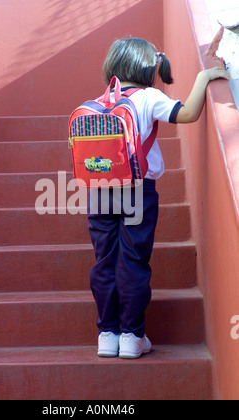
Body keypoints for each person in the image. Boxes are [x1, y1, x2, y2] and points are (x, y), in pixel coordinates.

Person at [87, 38, 230, 359]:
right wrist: (204, 78)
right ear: (149, 67)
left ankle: (107, 335)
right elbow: (189, 113)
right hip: (137, 192)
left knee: (105, 262)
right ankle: (132, 336)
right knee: (132, 262)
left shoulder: (100, 100)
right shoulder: (149, 97)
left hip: (98, 192)